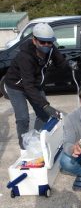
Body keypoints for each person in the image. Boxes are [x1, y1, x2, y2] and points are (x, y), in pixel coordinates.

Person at [4, 23, 68, 151]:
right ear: (34, 40)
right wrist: (45, 105)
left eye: (49, 42)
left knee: (43, 115)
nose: (46, 45)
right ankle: (24, 146)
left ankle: (37, 139)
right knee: (23, 118)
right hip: (16, 86)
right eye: (42, 42)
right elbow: (28, 86)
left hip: (34, 84)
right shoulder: (25, 56)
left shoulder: (51, 49)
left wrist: (70, 66)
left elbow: (61, 63)